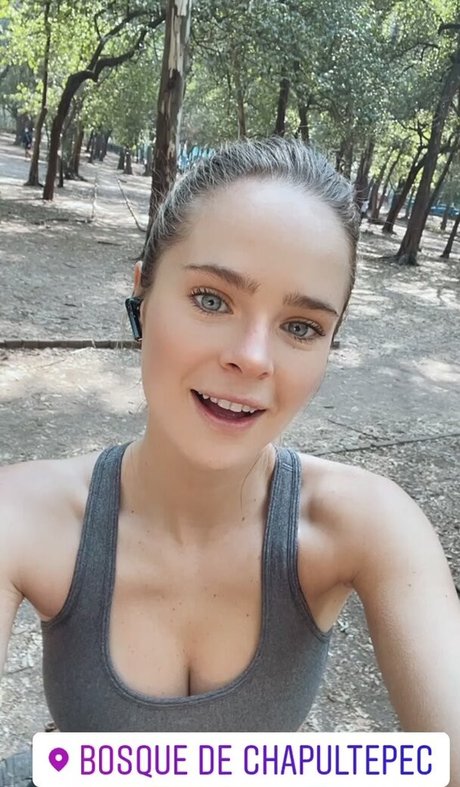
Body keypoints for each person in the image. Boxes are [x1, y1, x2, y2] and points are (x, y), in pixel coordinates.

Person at [0, 139, 459, 775]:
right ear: (142, 294)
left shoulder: (370, 524)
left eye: (301, 327)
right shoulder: (22, 516)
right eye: (212, 299)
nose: (252, 358)